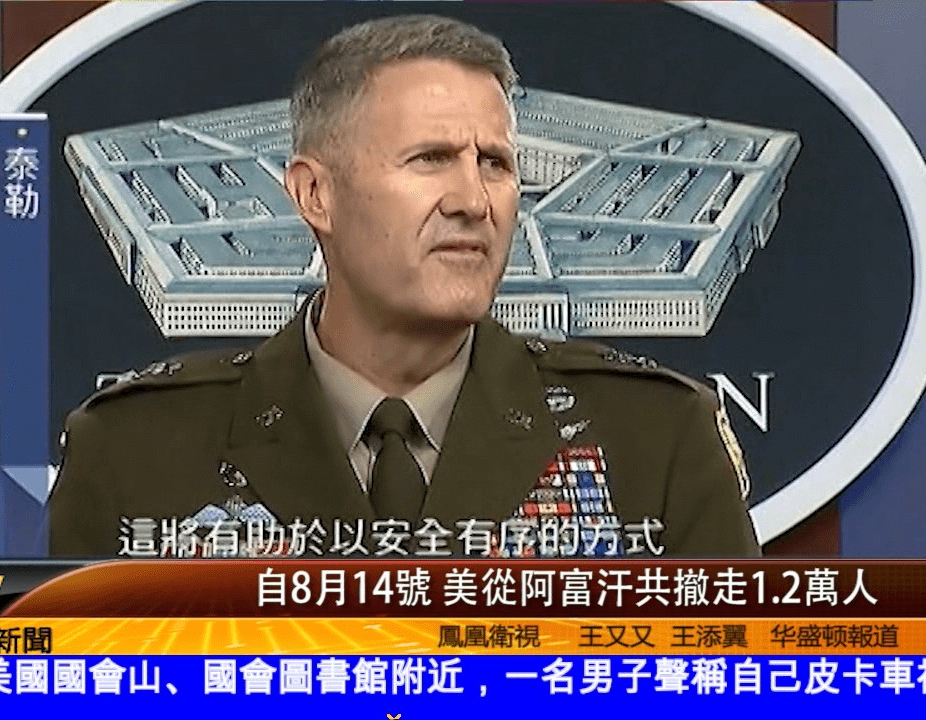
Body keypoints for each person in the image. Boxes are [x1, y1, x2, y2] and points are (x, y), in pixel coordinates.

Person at [48, 14, 760, 558]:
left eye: (495, 164)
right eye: (431, 159)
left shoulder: (657, 441)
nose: (473, 201)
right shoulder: (131, 454)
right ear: (315, 195)